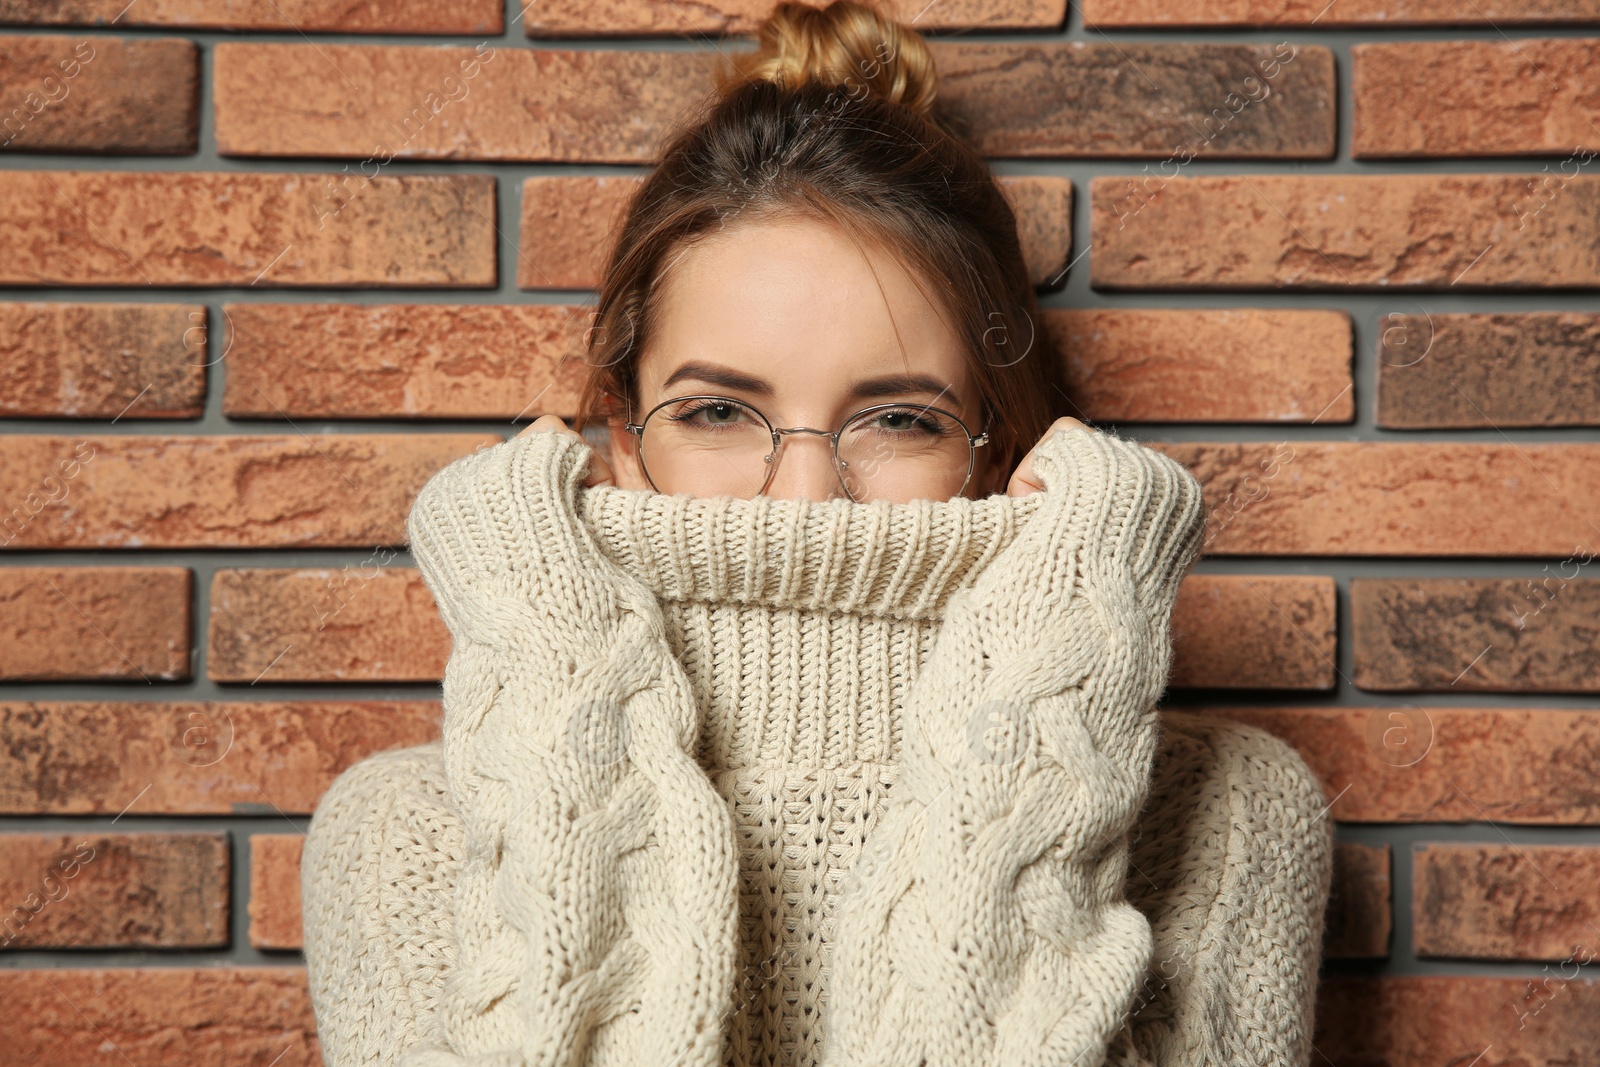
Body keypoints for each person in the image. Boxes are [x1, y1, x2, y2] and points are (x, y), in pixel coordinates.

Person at [300, 3, 1336, 1066]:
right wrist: (546, 666)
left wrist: (1054, 678)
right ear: (620, 435)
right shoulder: (403, 835)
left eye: (898, 419)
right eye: (715, 411)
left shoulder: (1230, 815)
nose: (802, 499)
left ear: (997, 447)